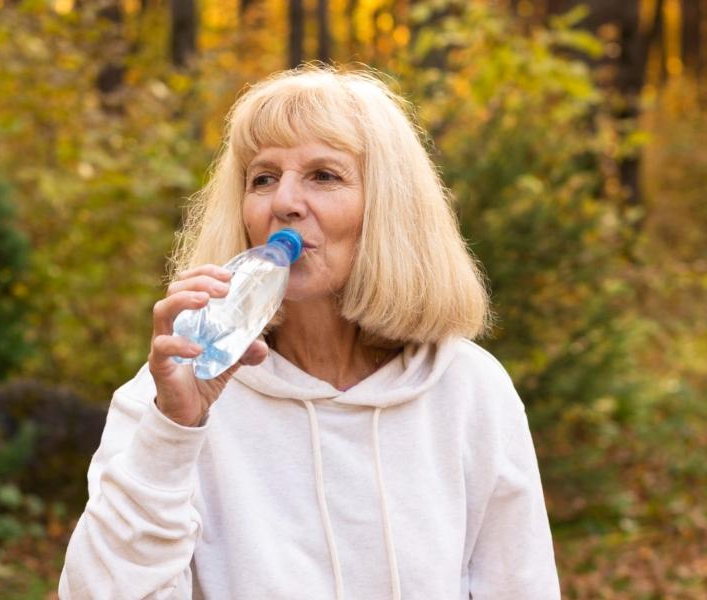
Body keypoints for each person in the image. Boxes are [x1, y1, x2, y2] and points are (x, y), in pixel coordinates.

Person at [58, 65, 560, 599]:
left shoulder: (468, 388)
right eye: (263, 178)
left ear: (386, 208)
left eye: (324, 175)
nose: (284, 203)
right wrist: (173, 433)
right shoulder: (172, 395)